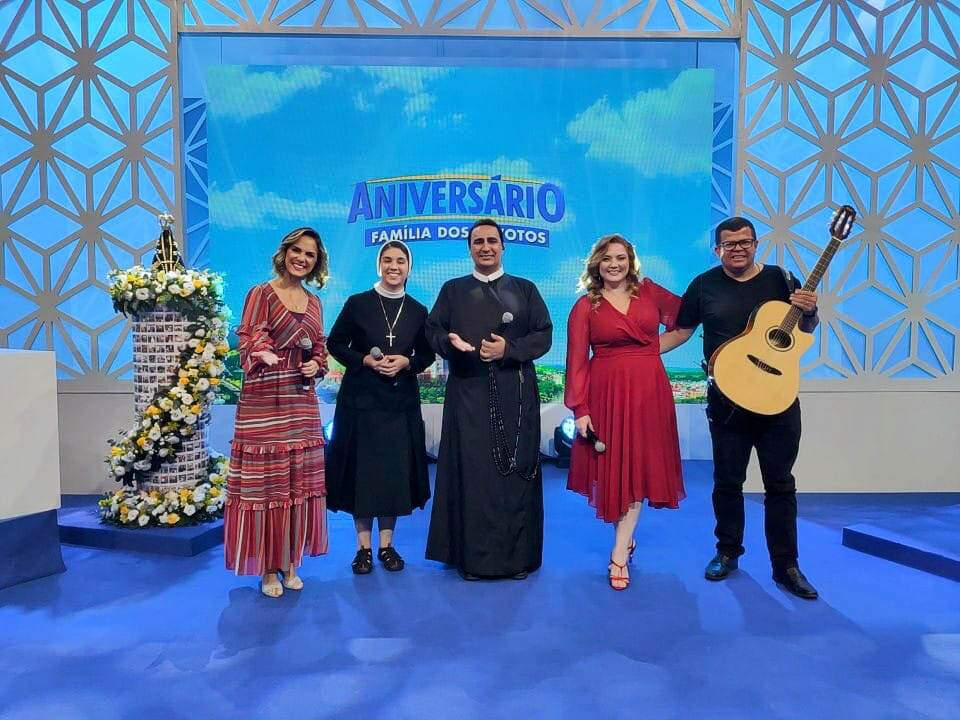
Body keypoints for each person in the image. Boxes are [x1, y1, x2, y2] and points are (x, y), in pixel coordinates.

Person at [665, 216, 820, 599]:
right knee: (727, 481)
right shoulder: (703, 285)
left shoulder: (782, 280)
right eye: (729, 244)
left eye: (744, 242)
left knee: (780, 485)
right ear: (717, 249)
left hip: (778, 401)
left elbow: (806, 330)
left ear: (755, 244)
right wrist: (630, 353)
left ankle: (787, 566)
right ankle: (727, 552)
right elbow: (681, 332)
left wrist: (811, 312)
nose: (737, 249)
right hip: (727, 402)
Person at [425, 218, 553, 580]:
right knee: (474, 476)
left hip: (516, 396)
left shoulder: (525, 289)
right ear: (469, 248)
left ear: (503, 247)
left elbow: (543, 335)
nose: (485, 247)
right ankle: (473, 559)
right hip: (468, 396)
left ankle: (516, 559)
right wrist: (449, 342)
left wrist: (507, 350)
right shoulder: (453, 290)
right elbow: (433, 330)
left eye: (492, 241)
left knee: (513, 476)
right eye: (478, 241)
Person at [564, 234, 686, 591]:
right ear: (596, 264)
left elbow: (686, 321)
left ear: (631, 261)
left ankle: (618, 553)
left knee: (638, 469)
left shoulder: (650, 292)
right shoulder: (585, 306)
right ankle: (625, 540)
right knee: (616, 470)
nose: (614, 264)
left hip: (649, 392)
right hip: (606, 394)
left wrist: (650, 349)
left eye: (620, 257)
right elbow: (576, 362)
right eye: (607, 258)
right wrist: (580, 409)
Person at [224, 227, 330, 598]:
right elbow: (249, 337)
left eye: (310, 255)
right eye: (297, 251)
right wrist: (262, 352)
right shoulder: (261, 293)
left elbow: (320, 348)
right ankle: (268, 569)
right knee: (267, 485)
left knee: (296, 483)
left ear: (317, 262)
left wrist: (316, 364)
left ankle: (290, 562)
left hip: (301, 403)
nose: (302, 258)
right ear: (284, 253)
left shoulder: (315, 302)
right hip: (264, 402)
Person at [325, 240, 434, 574]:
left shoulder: (417, 310)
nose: (393, 266)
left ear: (409, 268)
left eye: (400, 261)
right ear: (379, 265)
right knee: (363, 476)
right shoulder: (357, 303)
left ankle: (387, 545)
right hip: (361, 402)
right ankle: (363, 549)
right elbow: (335, 343)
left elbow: (426, 354)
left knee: (392, 476)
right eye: (387, 260)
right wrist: (364, 361)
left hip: (399, 404)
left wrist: (406, 362)